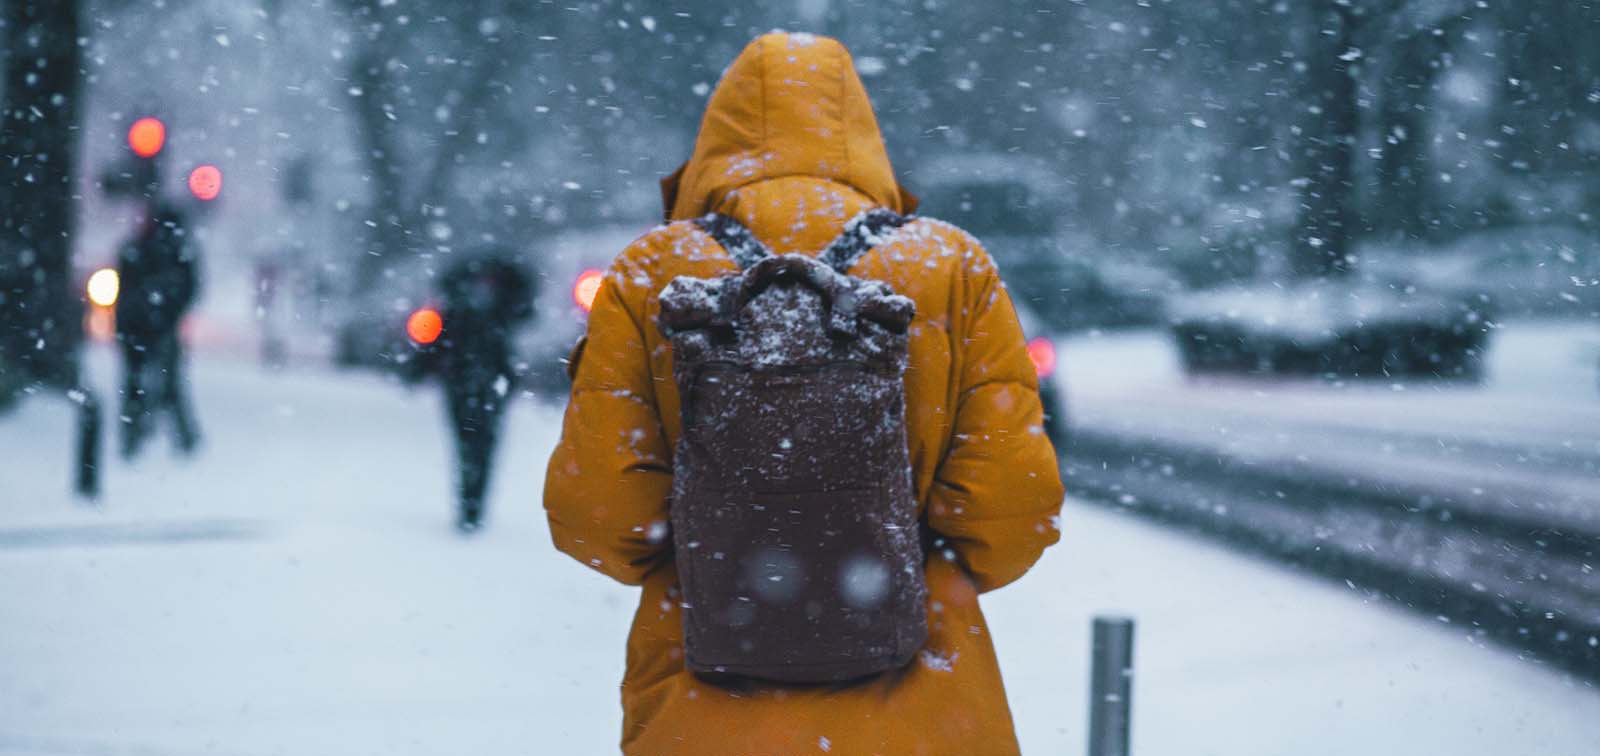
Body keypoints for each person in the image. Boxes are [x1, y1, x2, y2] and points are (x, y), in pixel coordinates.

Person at [543, 32, 1064, 754]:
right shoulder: (949, 265)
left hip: (702, 702)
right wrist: (884, 560)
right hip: (924, 710)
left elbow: (596, 518)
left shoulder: (652, 272)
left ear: (716, 139)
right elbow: (1012, 513)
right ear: (860, 134)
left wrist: (722, 547)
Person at [409, 252, 534, 532]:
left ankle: (471, 504)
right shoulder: (496, 308)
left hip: (469, 382)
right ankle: (472, 504)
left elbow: (435, 342)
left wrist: (419, 370)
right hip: (480, 382)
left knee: (471, 445)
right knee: (478, 445)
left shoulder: (465, 305)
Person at [115, 201, 201, 459]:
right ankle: (179, 438)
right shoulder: (175, 252)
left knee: (140, 382)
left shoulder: (138, 248)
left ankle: (135, 435)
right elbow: (188, 289)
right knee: (166, 383)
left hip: (139, 327)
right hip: (152, 327)